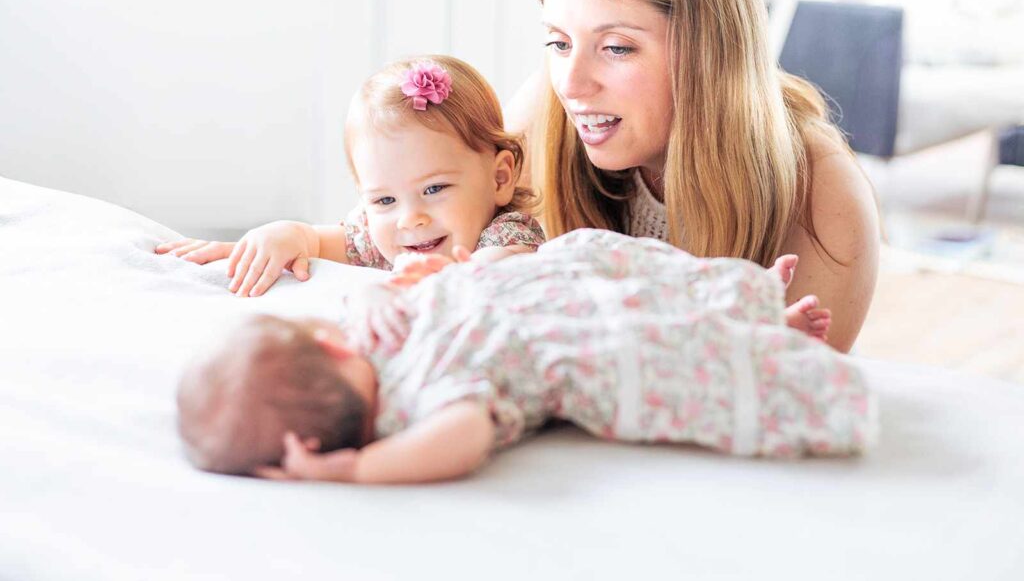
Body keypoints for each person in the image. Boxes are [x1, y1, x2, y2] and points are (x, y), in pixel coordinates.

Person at [176, 230, 868, 484]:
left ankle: (748, 303)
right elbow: (464, 434)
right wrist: (359, 468)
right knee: (641, 344)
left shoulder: (364, 330)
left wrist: (380, 298)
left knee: (593, 255)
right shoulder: (415, 403)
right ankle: (760, 336)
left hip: (532, 282)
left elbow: (369, 298)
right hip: (552, 336)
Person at [504, 0, 880, 352]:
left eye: (617, 48)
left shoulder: (822, 192)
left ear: (708, 48)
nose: (572, 86)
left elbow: (793, 393)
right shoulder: (541, 114)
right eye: (558, 42)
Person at [156, 56, 545, 297]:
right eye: (384, 200)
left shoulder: (506, 234)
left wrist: (449, 276)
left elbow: (502, 271)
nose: (410, 219)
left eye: (434, 188)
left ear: (499, 179)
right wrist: (285, 234)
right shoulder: (384, 236)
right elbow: (320, 241)